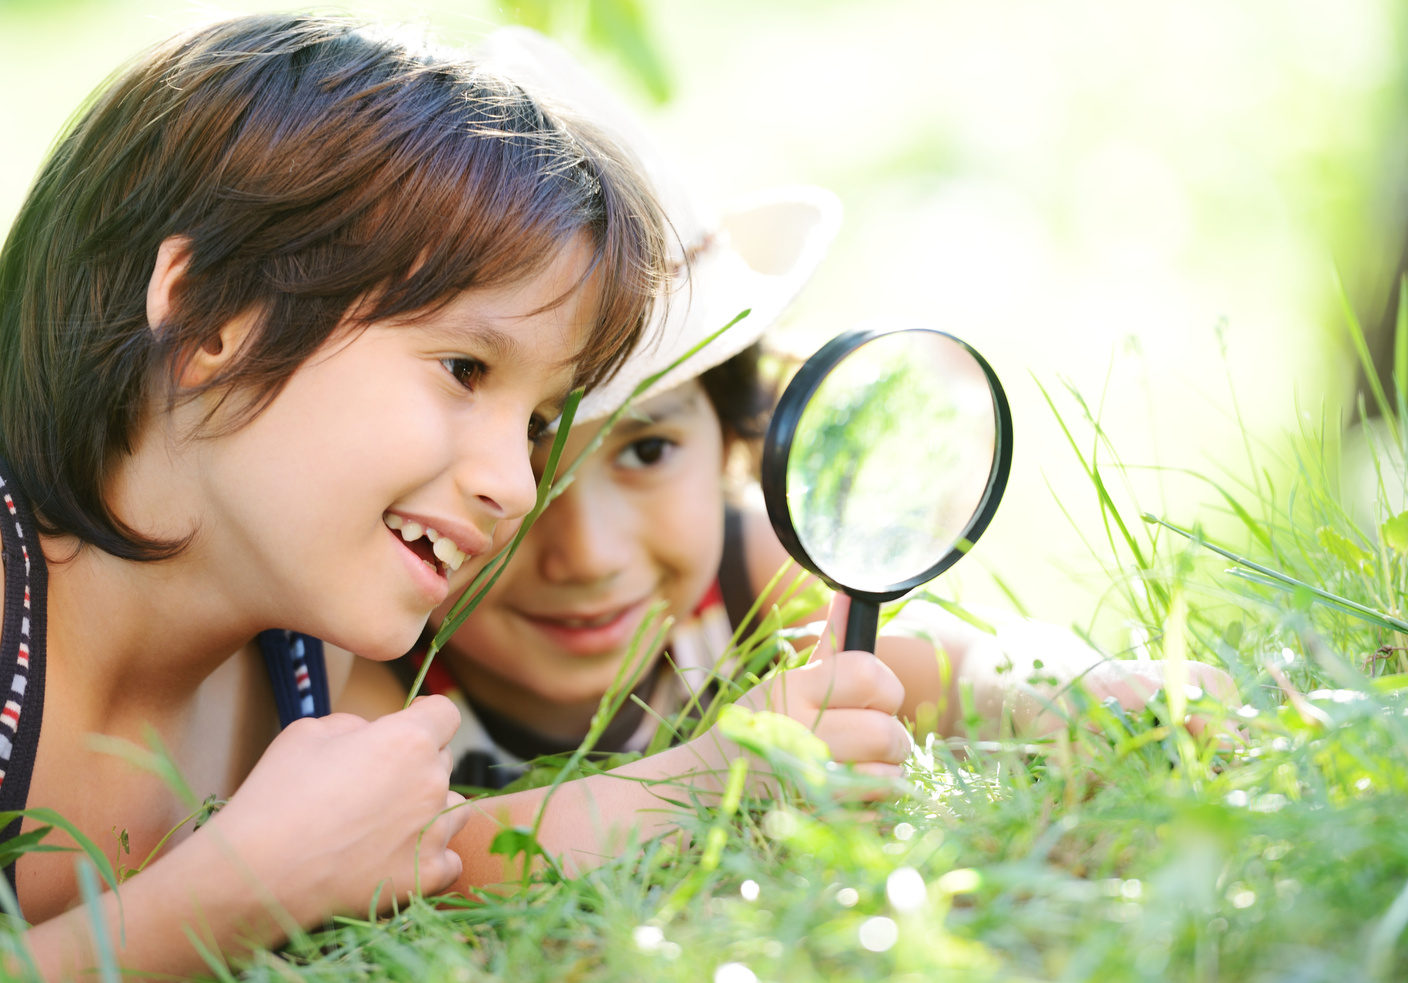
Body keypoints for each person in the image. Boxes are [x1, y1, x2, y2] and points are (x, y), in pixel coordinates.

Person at [0, 14, 912, 978]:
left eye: (533, 424)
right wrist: (238, 891)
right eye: (465, 367)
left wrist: (725, 773)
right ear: (206, 316)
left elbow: (439, 854)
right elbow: (294, 876)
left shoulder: (309, 664)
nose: (516, 487)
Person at [341, 30, 1240, 794]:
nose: (589, 553)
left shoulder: (749, 575)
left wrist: (1084, 689)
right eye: (535, 457)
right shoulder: (375, 656)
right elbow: (428, 861)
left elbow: (954, 667)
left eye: (648, 450)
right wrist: (712, 774)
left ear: (734, 441)